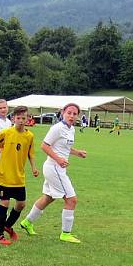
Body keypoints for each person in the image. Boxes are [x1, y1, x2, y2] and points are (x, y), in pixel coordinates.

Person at [20, 103, 87, 244]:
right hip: (54, 168)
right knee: (71, 200)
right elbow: (44, 145)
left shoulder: (72, 129)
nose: (71, 116)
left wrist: (77, 152)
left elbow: (65, 147)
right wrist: (59, 159)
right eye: (69, 112)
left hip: (57, 168)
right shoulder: (57, 128)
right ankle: (66, 233)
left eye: (75, 114)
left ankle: (27, 222)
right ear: (63, 112)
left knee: (48, 198)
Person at [0, 106, 39, 245]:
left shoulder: (29, 136)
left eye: (24, 118)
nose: (21, 121)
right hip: (4, 175)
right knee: (4, 203)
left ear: (28, 119)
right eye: (18, 118)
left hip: (18, 177)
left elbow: (31, 153)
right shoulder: (5, 133)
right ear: (13, 119)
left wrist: (34, 168)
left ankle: (7, 225)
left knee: (21, 204)